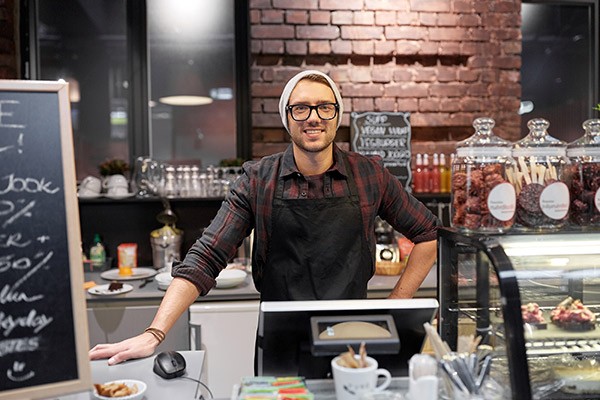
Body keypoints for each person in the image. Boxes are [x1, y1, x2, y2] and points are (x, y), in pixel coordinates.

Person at [89, 70, 440, 365]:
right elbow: (207, 256)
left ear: (338, 115)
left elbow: (427, 233)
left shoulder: (370, 175)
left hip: (352, 337)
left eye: (324, 107)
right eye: (301, 108)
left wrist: (396, 304)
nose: (313, 117)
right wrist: (155, 332)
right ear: (286, 118)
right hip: (279, 341)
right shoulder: (259, 180)